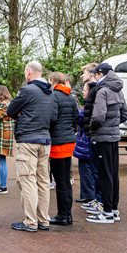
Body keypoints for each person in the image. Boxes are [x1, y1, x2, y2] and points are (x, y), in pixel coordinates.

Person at [7, 61, 58, 232]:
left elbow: (11, 110)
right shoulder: (51, 92)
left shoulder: (27, 90)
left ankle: (30, 221)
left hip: (28, 140)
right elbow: (54, 117)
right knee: (43, 181)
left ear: (29, 72)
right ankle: (43, 219)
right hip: (45, 140)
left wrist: (23, 115)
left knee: (27, 180)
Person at [86, 63, 127, 224]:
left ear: (99, 74)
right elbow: (124, 114)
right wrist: (113, 124)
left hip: (102, 138)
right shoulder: (118, 90)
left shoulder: (102, 91)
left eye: (95, 74)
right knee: (113, 174)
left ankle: (107, 212)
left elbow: (98, 116)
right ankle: (114, 210)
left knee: (104, 175)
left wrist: (92, 129)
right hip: (114, 138)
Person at [48, 72, 78, 225]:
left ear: (53, 81)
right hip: (69, 141)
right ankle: (68, 214)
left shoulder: (53, 96)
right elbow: (75, 119)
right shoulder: (71, 97)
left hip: (57, 144)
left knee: (60, 181)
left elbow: (52, 118)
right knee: (66, 180)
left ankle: (63, 216)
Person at [80, 63, 104, 214]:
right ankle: (94, 198)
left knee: (95, 170)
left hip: (93, 135)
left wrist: (89, 128)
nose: (82, 76)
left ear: (92, 73)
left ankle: (98, 200)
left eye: (84, 73)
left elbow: (95, 115)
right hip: (90, 135)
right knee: (91, 168)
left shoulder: (96, 90)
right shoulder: (95, 89)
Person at [74, 82, 94, 204]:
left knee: (86, 169)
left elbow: (81, 119)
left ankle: (89, 196)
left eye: (85, 90)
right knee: (86, 169)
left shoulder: (89, 106)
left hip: (86, 141)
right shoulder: (89, 104)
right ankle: (87, 194)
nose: (83, 92)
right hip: (86, 139)